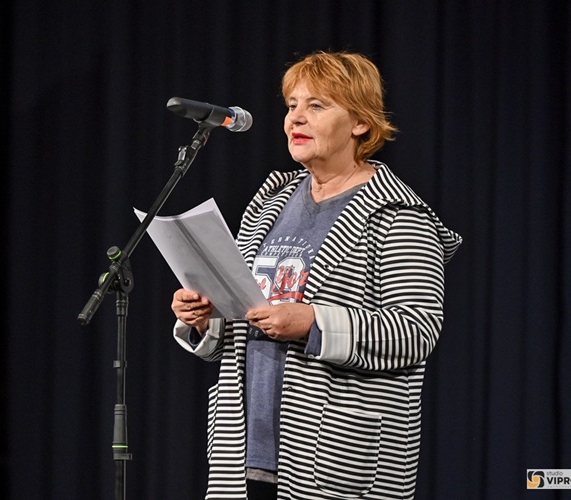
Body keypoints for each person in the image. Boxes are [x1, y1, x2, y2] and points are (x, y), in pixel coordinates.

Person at [170, 51, 462, 500]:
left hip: (337, 459)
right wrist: (205, 316)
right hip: (245, 454)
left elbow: (416, 330)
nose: (296, 118)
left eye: (317, 106)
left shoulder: (398, 216)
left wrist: (312, 322)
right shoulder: (271, 202)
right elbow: (247, 312)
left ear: (360, 123)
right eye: (292, 106)